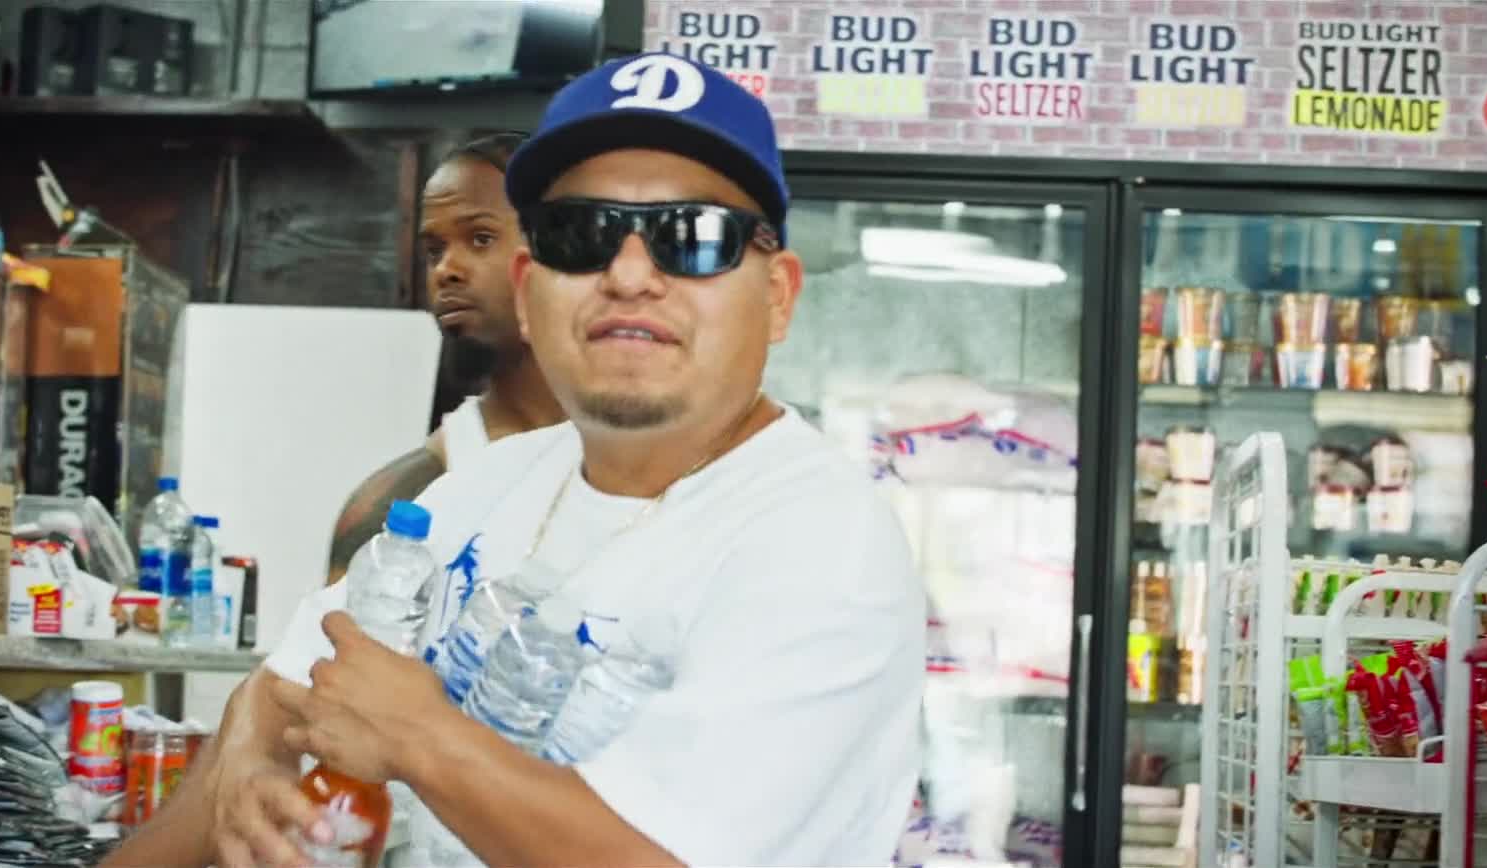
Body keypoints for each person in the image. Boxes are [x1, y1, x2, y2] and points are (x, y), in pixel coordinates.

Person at [102, 52, 925, 868]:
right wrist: (248, 754)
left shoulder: (821, 541)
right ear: (530, 292)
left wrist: (421, 737)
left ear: (777, 297)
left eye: (695, 237)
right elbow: (284, 683)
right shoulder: (485, 487)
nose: (629, 274)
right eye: (581, 235)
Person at [324, 132, 565, 586]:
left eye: (480, 238)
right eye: (434, 251)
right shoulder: (406, 499)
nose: (445, 270)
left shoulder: (654, 455)